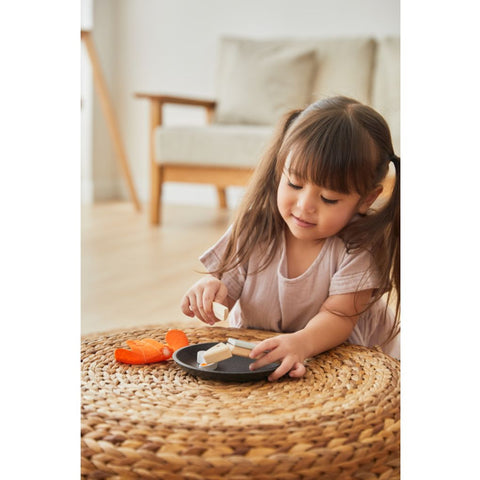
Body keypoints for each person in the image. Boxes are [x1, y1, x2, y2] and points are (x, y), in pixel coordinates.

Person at [181, 96, 400, 381]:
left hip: (344, 355)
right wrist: (210, 287)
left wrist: (301, 343)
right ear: (279, 170)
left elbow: (339, 317)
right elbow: (226, 289)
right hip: (265, 356)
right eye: (294, 184)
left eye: (329, 198)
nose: (304, 205)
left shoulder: (359, 247)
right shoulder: (255, 224)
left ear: (366, 199)